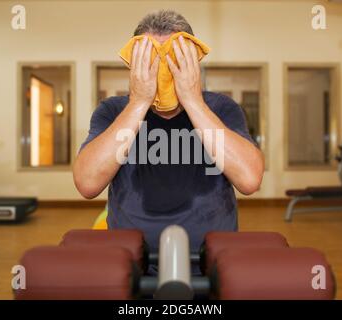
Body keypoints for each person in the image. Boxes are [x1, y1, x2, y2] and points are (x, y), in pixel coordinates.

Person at [73, 10, 264, 274]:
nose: (163, 73)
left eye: (173, 62)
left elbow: (250, 180)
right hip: (130, 265)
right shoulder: (113, 111)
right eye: (151, 62)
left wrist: (193, 100)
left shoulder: (220, 108)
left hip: (210, 263)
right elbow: (87, 183)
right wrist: (139, 102)